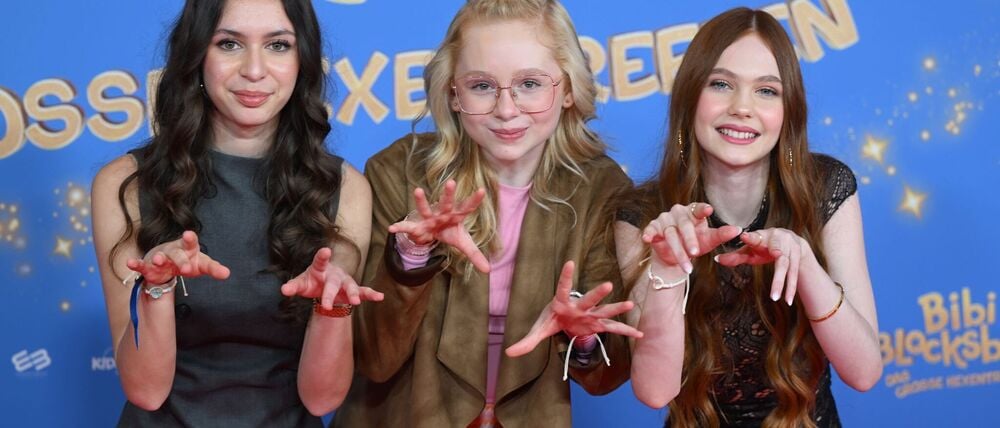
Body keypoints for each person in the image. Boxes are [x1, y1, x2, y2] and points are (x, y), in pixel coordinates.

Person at [332, 1, 641, 426]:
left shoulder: (602, 187)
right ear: (453, 94)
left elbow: (608, 377)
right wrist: (411, 259)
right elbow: (374, 359)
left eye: (529, 83)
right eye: (481, 86)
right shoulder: (398, 173)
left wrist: (584, 337)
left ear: (568, 89)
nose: (506, 109)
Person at [91, 0, 382, 425]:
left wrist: (329, 309)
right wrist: (157, 288)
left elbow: (323, 399)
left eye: (279, 45)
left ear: (302, 59)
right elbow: (145, 391)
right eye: (229, 44)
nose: (254, 69)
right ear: (196, 55)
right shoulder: (127, 184)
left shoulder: (345, 189)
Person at [618, 7, 882, 427]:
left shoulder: (825, 188)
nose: (742, 107)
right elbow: (654, 392)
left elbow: (864, 372)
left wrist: (807, 267)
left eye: (766, 91)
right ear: (690, 98)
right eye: (721, 84)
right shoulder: (644, 214)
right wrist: (667, 269)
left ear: (788, 111)